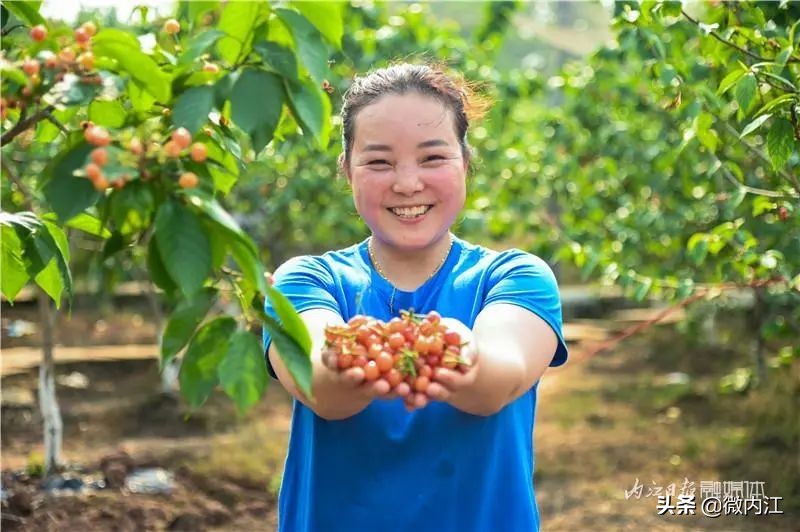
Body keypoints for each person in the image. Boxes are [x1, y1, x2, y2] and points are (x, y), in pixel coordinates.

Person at [263, 62, 568, 532]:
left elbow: (499, 379)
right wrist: (377, 357)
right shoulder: (305, 281)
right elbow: (321, 385)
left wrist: (454, 354)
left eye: (432, 158)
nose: (407, 183)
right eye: (379, 162)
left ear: (465, 162)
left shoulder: (514, 277)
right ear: (346, 171)